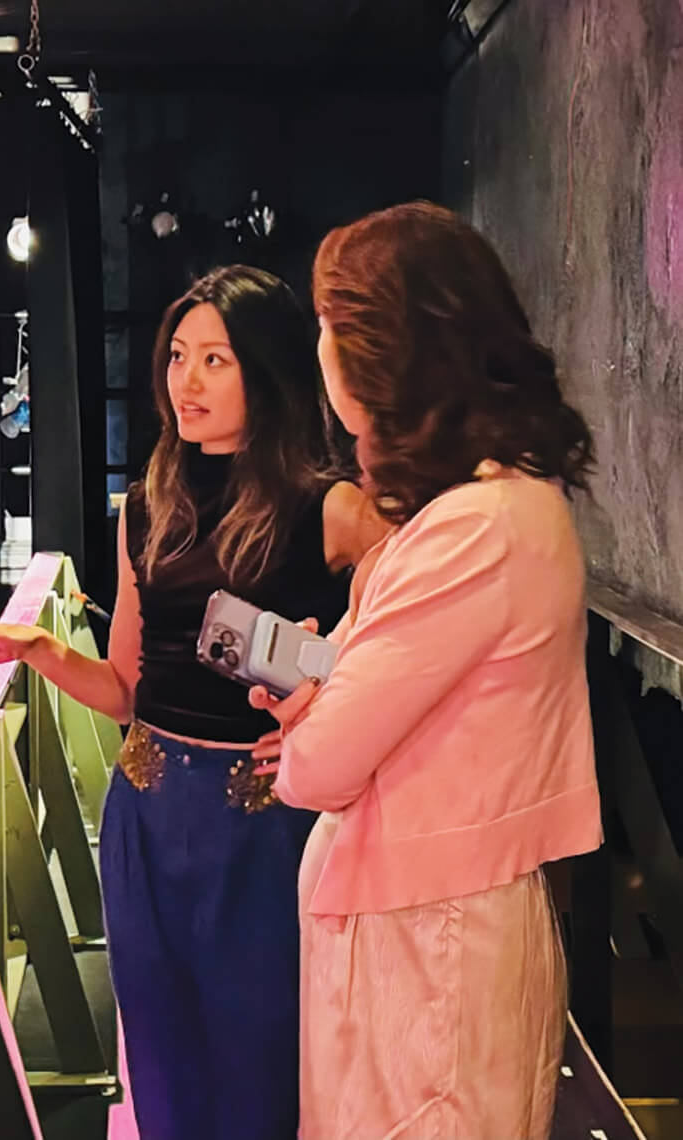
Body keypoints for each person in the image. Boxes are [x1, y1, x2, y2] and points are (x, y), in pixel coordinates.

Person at [0, 265, 387, 1139]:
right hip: (147, 815)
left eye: (216, 359)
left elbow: (410, 626)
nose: (186, 381)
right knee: (162, 1062)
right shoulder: (147, 504)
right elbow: (126, 687)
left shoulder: (336, 508)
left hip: (266, 822)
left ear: (268, 371)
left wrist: (336, 678)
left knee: (263, 1059)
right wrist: (35, 648)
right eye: (176, 356)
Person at [249, 203, 603, 1139]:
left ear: (391, 355)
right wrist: (326, 718)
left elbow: (322, 768)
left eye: (337, 330)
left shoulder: (473, 528)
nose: (325, 357)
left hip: (428, 951)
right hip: (429, 929)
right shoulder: (491, 507)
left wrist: (315, 734)